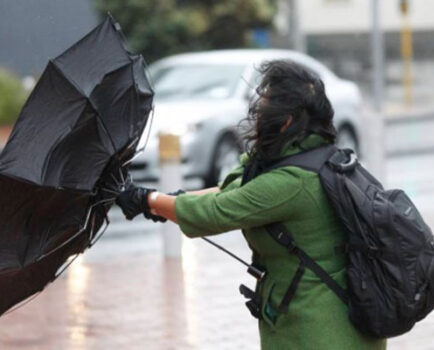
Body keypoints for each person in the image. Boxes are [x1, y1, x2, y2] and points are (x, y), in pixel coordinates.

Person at [116, 60, 387, 349]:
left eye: (265, 107)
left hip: (321, 332)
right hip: (326, 324)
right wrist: (164, 202)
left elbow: (215, 212)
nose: (258, 115)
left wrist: (146, 199)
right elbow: (229, 191)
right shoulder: (314, 158)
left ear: (286, 121)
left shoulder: (292, 181)